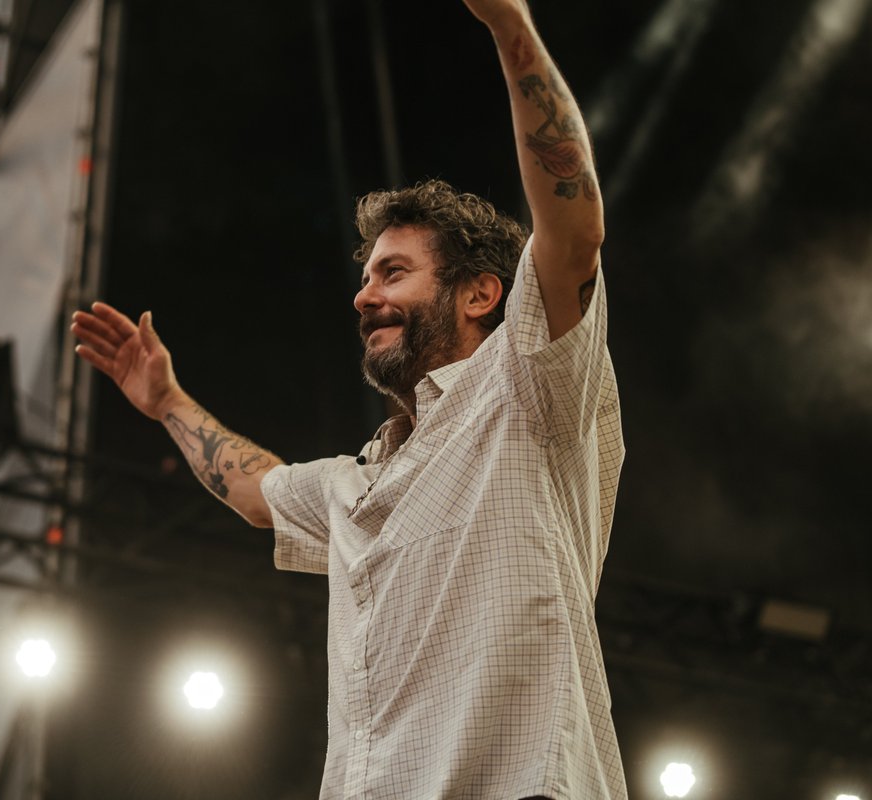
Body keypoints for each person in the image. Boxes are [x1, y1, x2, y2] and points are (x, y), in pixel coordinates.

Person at [71, 0, 626, 797]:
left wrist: (512, 28)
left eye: (393, 273)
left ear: (480, 293)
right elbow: (257, 491)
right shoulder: (356, 484)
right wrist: (166, 401)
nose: (365, 296)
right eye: (365, 278)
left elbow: (573, 233)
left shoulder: (527, 386)